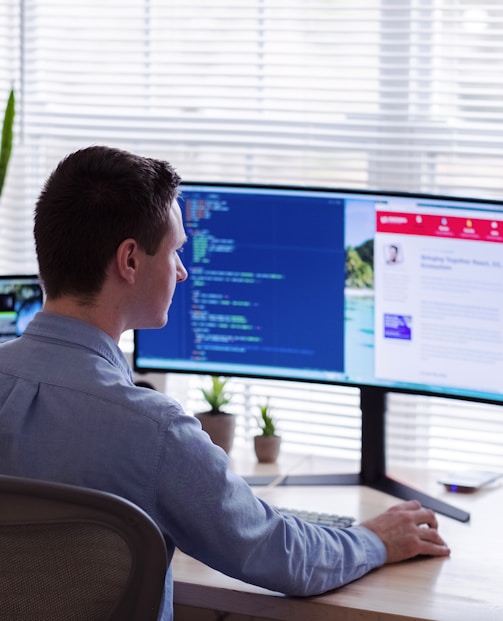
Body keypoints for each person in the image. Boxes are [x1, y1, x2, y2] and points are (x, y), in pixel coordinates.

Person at [0, 146, 450, 621]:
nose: (182, 269)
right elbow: (282, 555)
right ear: (129, 260)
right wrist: (375, 539)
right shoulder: (153, 432)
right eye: (175, 250)